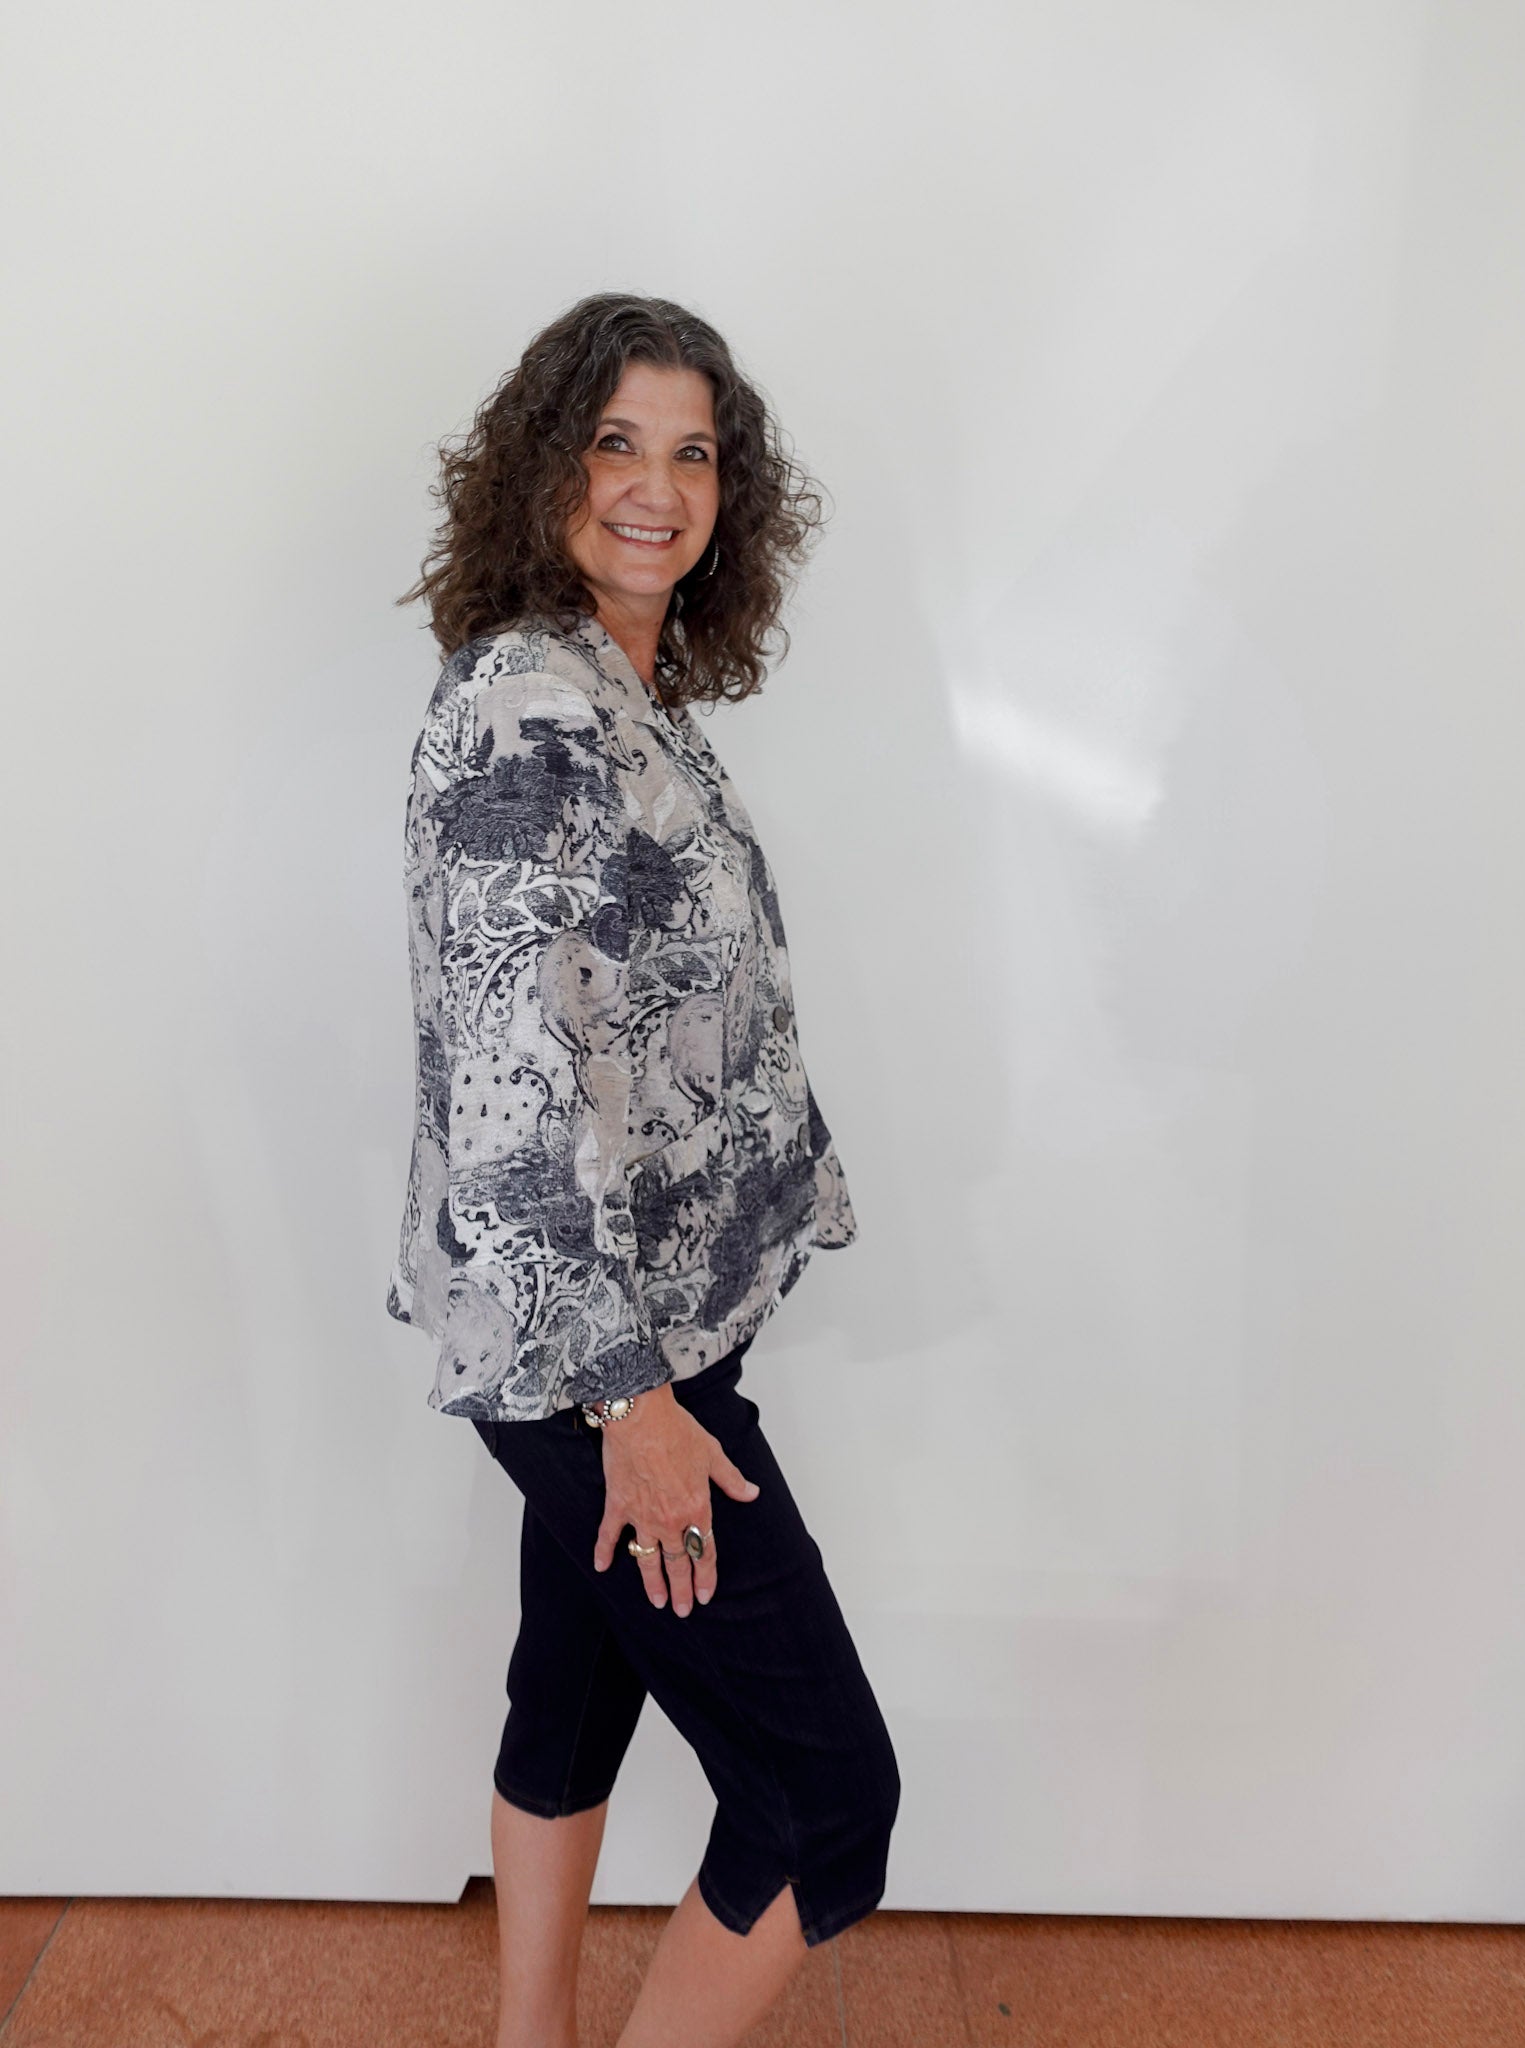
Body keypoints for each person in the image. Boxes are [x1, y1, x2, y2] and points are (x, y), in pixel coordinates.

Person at [388, 292, 899, 2048]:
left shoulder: (617, 686)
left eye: (692, 453)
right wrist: (634, 1402)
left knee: (571, 1693)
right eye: (616, 442)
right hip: (607, 1357)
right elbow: (519, 1094)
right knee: (827, 1802)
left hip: (639, 1329)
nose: (656, 488)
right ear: (545, 470)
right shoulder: (536, 714)